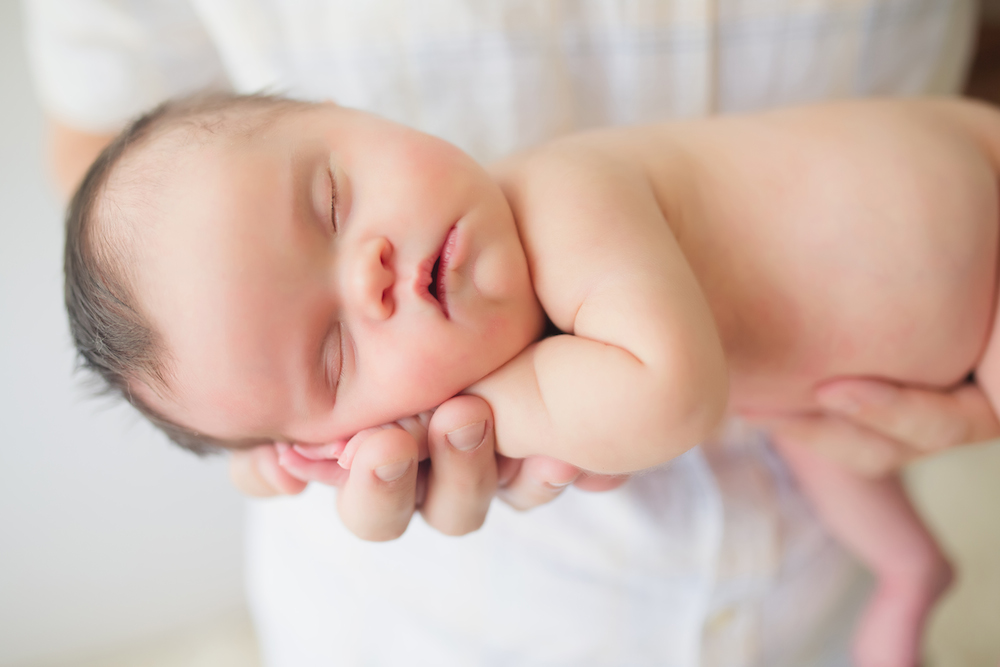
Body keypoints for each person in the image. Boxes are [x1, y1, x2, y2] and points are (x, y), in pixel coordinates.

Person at [28, 0, 999, 664]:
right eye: (331, 352)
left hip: (981, 239)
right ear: (331, 439)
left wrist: (468, 406)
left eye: (330, 200)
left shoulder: (566, 199)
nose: (365, 273)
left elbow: (673, 395)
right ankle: (910, 566)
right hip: (816, 406)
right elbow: (106, 173)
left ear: (347, 115)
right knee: (815, 442)